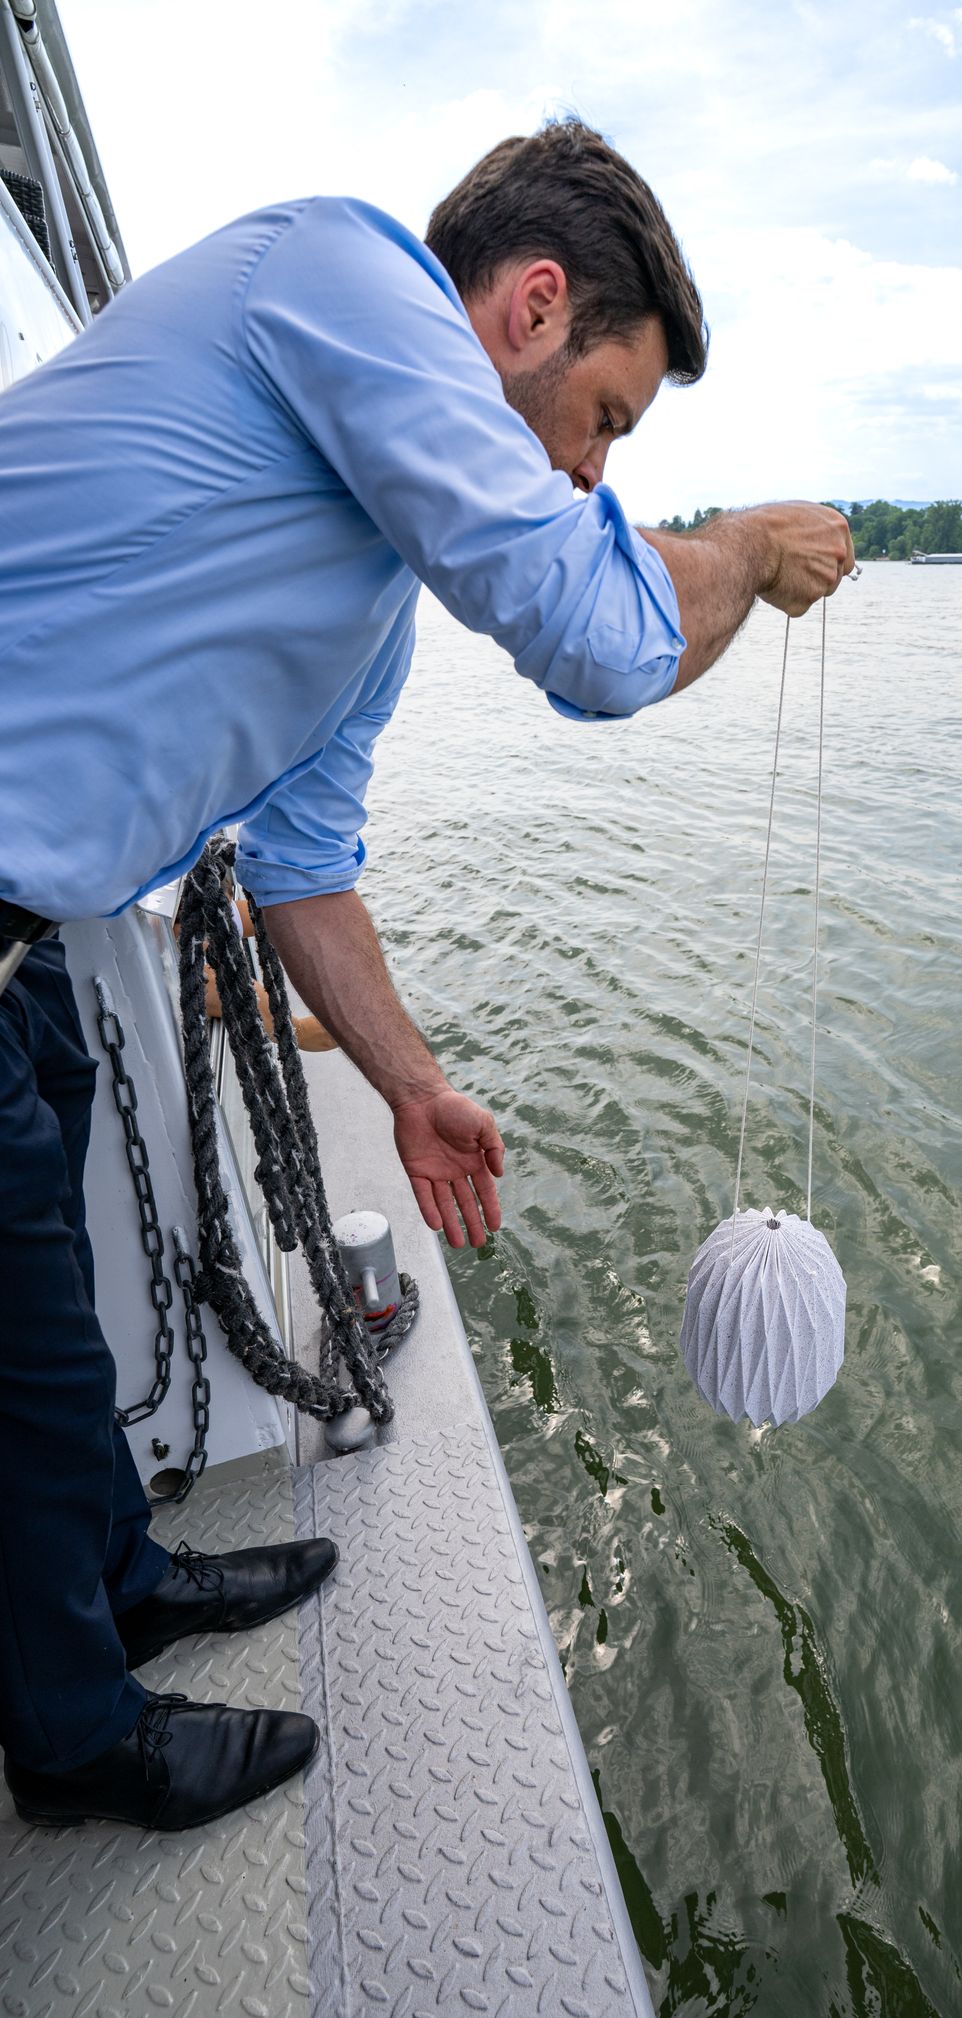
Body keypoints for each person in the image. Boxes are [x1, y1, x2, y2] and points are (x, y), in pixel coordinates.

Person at [0, 119, 854, 1832]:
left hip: (26, 941)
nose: (594, 472)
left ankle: (126, 1576)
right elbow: (602, 639)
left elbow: (305, 867)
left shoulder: (365, 595)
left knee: (46, 1337)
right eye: (607, 417)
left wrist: (409, 1086)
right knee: (12, 1369)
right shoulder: (339, 272)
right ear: (531, 308)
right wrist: (746, 553)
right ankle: (78, 1740)